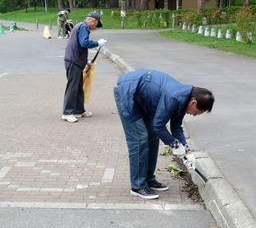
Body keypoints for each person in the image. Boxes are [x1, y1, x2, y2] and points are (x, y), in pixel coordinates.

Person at [113, 69, 214, 199]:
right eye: (197, 112)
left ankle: (148, 179)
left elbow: (176, 126)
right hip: (128, 94)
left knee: (153, 137)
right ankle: (138, 186)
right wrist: (174, 145)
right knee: (140, 139)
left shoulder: (184, 99)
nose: (194, 115)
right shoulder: (174, 96)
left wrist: (187, 150)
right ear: (194, 103)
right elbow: (158, 125)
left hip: (143, 100)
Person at [62, 12, 107, 123]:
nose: (95, 27)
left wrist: (85, 61)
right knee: (72, 87)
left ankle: (79, 110)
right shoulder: (84, 27)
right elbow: (84, 43)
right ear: (93, 21)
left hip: (75, 60)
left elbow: (78, 45)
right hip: (73, 61)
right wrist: (97, 43)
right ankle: (67, 113)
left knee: (78, 87)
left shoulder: (79, 26)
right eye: (96, 24)